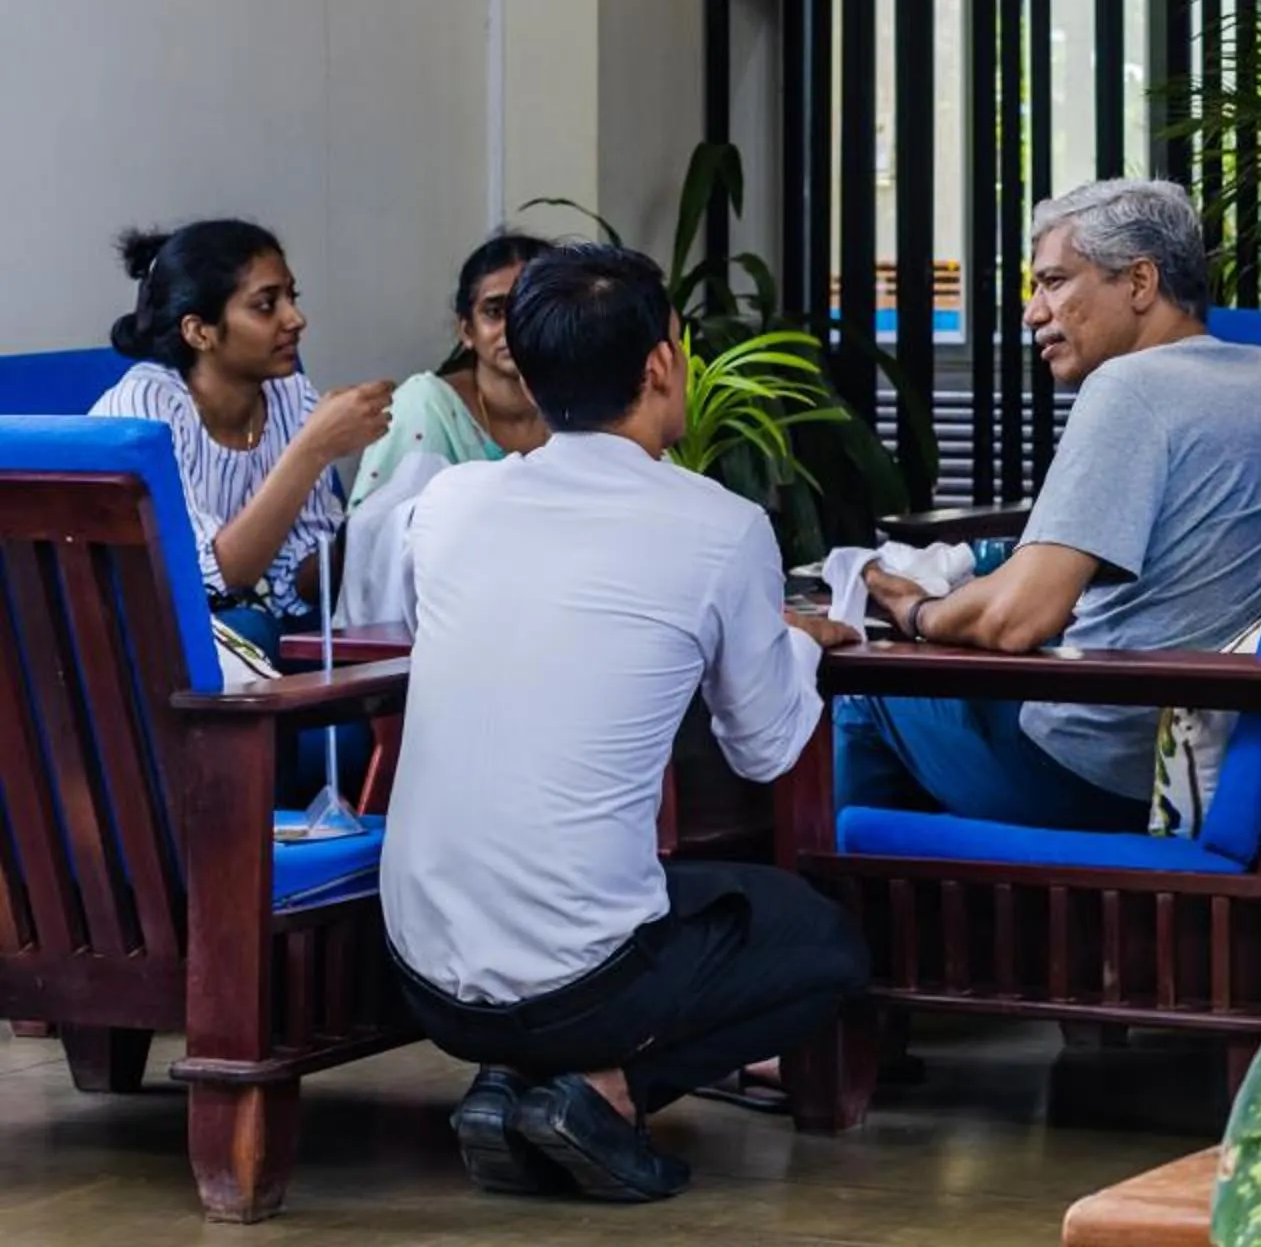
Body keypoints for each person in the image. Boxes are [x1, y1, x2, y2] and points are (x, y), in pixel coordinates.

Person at [379, 244, 868, 1202]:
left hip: (424, 977)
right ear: (659, 364)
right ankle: (599, 1090)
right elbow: (766, 747)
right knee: (822, 943)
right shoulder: (718, 524)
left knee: (654, 891)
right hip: (585, 987)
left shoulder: (448, 503)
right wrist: (799, 640)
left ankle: (508, 1086)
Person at [836, 180, 1261, 831]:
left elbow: (1019, 619)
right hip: (1225, 750)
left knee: (859, 685)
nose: (1035, 312)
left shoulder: (1129, 387)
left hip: (1095, 768)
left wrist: (917, 612)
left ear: (1140, 283)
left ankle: (850, 913)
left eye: (1055, 282)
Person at [90, 220, 393, 652]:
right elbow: (214, 582)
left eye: (292, 297)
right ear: (199, 332)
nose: (296, 319)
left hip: (236, 623)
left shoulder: (289, 394)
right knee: (250, 630)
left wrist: (371, 533)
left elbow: (298, 585)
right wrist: (312, 449)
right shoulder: (147, 407)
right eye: (266, 305)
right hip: (129, 639)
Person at [340, 232, 557, 626]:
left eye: (532, 308)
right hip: (439, 624)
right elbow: (374, 546)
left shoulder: (585, 404)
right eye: (495, 311)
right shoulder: (427, 404)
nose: (514, 326)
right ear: (466, 330)